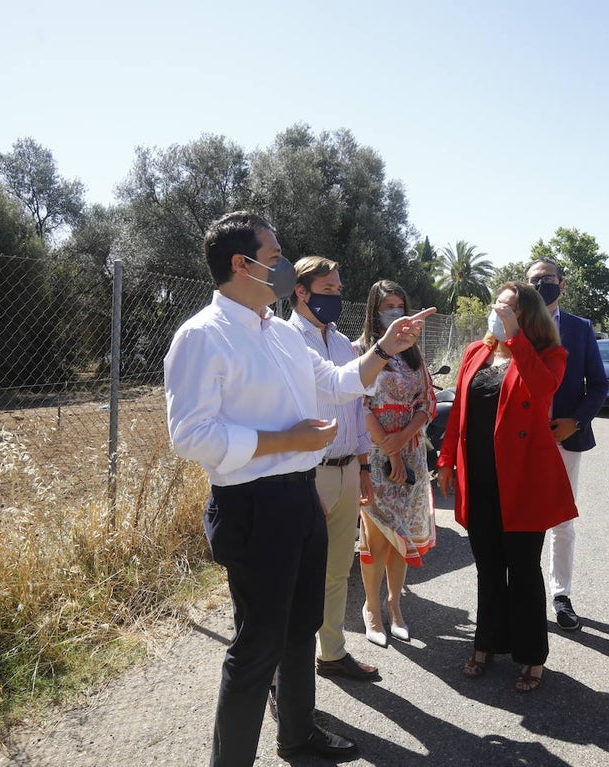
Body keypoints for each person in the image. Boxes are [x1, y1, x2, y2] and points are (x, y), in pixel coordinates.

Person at [164, 211, 433, 767]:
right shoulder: (202, 337)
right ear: (243, 265)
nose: (284, 266)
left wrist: (383, 348)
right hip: (253, 504)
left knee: (300, 626)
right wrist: (283, 439)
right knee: (256, 647)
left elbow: (336, 383)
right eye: (275, 256)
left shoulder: (281, 336)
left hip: (299, 497)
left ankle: (298, 735)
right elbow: (191, 436)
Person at [436, 282, 577, 693]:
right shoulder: (474, 352)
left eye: (510, 306)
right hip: (479, 478)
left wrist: (515, 338)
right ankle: (486, 644)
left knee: (523, 568)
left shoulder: (550, 355)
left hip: (522, 482)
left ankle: (532, 655)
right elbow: (459, 411)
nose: (499, 310)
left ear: (528, 315)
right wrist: (446, 459)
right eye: (497, 304)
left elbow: (543, 388)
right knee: (488, 566)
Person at [284, 256, 379, 682]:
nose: (336, 297)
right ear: (300, 292)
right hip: (306, 474)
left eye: (339, 290)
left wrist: (362, 465)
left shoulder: (343, 345)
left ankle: (333, 652)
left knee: (339, 567)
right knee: (298, 574)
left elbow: (358, 410)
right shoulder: (284, 340)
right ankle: (286, 672)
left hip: (343, 472)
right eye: (327, 290)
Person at [524, 258, 607, 632]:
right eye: (534, 280)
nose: (543, 285)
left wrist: (574, 421)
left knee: (561, 520)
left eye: (549, 279)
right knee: (522, 518)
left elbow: (599, 387)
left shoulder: (579, 329)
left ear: (563, 284)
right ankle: (523, 590)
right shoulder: (515, 326)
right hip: (521, 441)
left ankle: (561, 594)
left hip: (565, 438)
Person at [355, 280, 437, 647]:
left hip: (411, 451)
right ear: (375, 311)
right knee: (376, 534)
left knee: (401, 533)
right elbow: (358, 404)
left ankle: (395, 604)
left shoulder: (413, 353)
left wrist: (404, 440)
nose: (395, 312)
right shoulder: (361, 351)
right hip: (374, 454)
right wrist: (389, 450)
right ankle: (371, 607)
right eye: (388, 306)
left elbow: (427, 400)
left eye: (400, 305)